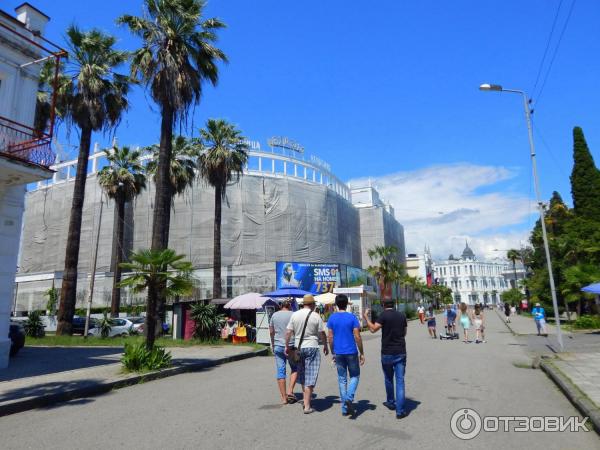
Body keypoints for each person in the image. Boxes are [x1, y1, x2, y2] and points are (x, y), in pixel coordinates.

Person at [363, 300, 409, 419]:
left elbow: (373, 329)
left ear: (384, 305)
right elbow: (404, 333)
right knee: (400, 381)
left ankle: (390, 402)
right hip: (400, 351)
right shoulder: (401, 315)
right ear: (393, 305)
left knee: (388, 379)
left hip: (387, 352)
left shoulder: (383, 315)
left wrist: (366, 317)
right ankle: (400, 411)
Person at [285, 294, 329, 414]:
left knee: (303, 375)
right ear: (313, 304)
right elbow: (322, 333)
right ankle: (307, 406)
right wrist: (325, 345)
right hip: (312, 347)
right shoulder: (316, 316)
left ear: (303, 304)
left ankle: (306, 400)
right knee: (311, 376)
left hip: (299, 348)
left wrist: (286, 346)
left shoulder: (295, 314)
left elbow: (288, 332)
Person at [327, 294, 365, 417]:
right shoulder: (352, 318)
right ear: (347, 303)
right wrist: (362, 352)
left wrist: (333, 351)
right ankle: (349, 397)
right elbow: (357, 336)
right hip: (351, 351)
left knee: (342, 379)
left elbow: (330, 337)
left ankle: (344, 408)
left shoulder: (332, 318)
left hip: (338, 352)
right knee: (355, 375)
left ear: (336, 304)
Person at [269, 300, 298, 405]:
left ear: (281, 306)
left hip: (278, 345)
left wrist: (273, 344)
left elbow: (271, 331)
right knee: (295, 368)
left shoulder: (274, 315)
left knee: (281, 371)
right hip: (291, 345)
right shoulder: (294, 315)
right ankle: (290, 390)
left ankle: (284, 398)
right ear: (290, 305)